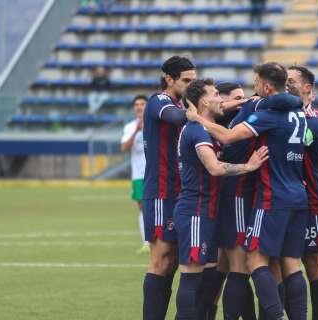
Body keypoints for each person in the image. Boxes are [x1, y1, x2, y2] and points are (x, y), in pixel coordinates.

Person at [186, 62, 309, 320]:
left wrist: (197, 118)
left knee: (250, 262)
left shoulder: (267, 113)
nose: (252, 93)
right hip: (298, 194)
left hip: (271, 196)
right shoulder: (297, 111)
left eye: (255, 85)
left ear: (266, 85)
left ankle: (275, 316)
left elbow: (229, 137)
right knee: (288, 263)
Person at [173, 78, 269, 320]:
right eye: (216, 94)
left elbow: (224, 108)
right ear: (204, 101)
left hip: (207, 210)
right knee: (191, 276)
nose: (221, 100)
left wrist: (250, 100)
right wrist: (248, 166)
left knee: (205, 275)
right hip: (195, 211)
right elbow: (214, 168)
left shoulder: (204, 125)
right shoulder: (196, 131)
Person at [141, 56, 196, 320]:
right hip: (162, 191)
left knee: (173, 261)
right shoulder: (159, 101)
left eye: (193, 81)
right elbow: (175, 118)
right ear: (169, 79)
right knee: (161, 260)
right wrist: (197, 112)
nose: (190, 85)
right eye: (186, 80)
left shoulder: (180, 103)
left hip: (180, 191)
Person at [286, 65, 318, 320]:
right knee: (282, 265)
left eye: (291, 80)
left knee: (314, 265)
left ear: (307, 88)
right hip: (281, 201)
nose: (286, 83)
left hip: (311, 201)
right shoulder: (276, 113)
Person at [120, 95, 149, 253]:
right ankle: (147, 242)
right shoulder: (130, 127)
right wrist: (137, 130)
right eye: (136, 104)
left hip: (155, 172)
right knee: (142, 206)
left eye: (142, 104)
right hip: (138, 174)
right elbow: (124, 147)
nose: (139, 107)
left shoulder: (154, 124)